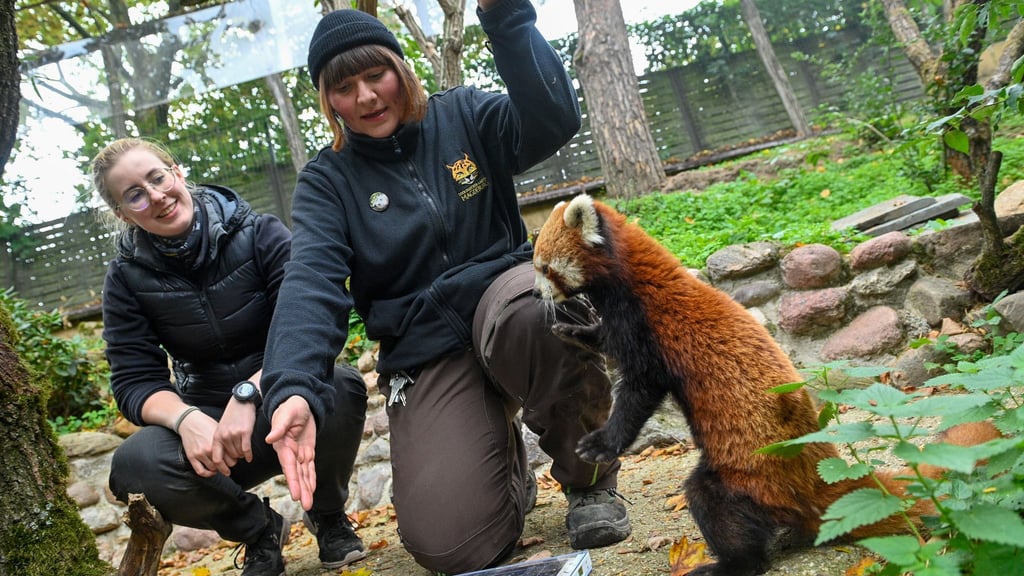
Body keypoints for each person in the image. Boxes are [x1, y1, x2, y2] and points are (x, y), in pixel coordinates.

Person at [259, 0, 631, 573]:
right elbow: (311, 278)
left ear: (401, 68)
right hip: (426, 350)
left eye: (375, 75)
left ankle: (591, 481)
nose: (365, 97)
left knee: (541, 312)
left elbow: (552, 120)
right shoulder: (326, 182)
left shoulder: (463, 114)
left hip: (504, 301)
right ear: (327, 101)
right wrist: (291, 387)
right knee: (449, 545)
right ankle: (506, 475)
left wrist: (507, 19)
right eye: (344, 88)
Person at [93, 137, 368, 576]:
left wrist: (249, 393)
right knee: (133, 466)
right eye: (135, 195)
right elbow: (133, 381)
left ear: (178, 172)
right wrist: (187, 420)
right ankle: (259, 531)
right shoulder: (124, 280)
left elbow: (312, 321)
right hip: (212, 433)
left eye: (157, 178)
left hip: (281, 400)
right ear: (123, 214)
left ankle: (328, 515)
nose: (156, 196)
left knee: (339, 384)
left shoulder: (260, 233)